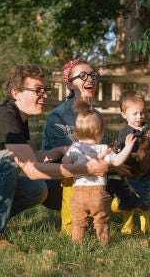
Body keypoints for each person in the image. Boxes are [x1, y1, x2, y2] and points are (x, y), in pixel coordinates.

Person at [0, 65, 113, 250]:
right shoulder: (5, 115)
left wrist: (61, 150)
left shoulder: (20, 118)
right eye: (37, 90)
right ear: (16, 93)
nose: (45, 95)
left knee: (38, 190)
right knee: (9, 159)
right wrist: (86, 169)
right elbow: (32, 169)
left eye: (45, 90)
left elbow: (34, 158)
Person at [41, 59, 104, 235]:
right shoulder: (58, 116)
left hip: (89, 174)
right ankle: (74, 223)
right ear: (69, 84)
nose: (90, 79)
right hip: (58, 181)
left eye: (93, 75)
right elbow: (65, 157)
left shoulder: (96, 115)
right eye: (82, 76)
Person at [62, 99, 136, 246]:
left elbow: (65, 164)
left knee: (78, 221)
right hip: (98, 194)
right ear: (99, 132)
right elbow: (117, 161)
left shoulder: (74, 147)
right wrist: (127, 146)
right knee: (101, 220)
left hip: (78, 194)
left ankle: (77, 245)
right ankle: (104, 242)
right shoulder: (103, 148)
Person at [109, 91, 150, 235]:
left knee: (146, 199)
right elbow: (120, 152)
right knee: (131, 199)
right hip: (131, 173)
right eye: (135, 114)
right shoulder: (125, 132)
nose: (139, 117)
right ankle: (128, 225)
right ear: (124, 114)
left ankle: (146, 225)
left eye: (142, 113)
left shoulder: (146, 128)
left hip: (146, 173)